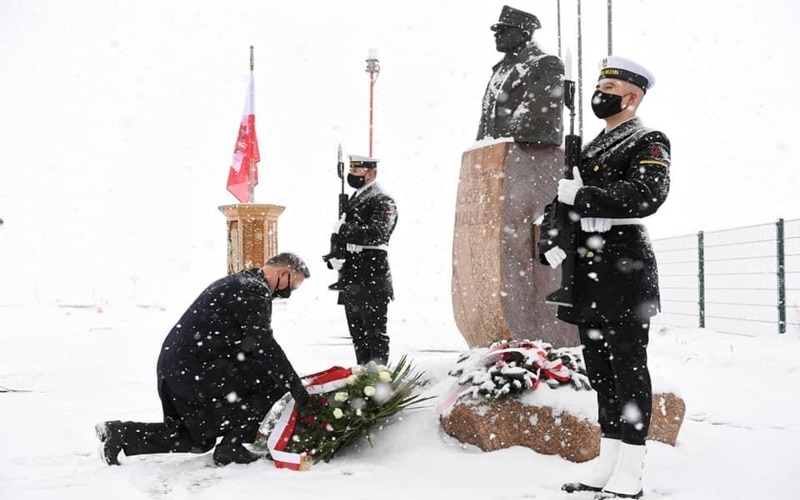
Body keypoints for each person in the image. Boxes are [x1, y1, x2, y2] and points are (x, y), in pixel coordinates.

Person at [538, 56, 671, 498]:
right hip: (588, 270)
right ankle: (608, 458)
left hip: (623, 265)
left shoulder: (647, 139)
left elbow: (647, 195)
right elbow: (563, 198)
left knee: (629, 368)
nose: (601, 93)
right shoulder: (593, 144)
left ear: (631, 97)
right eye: (600, 84)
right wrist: (552, 230)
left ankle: (631, 466)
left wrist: (586, 196)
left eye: (610, 86)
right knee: (600, 369)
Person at [95, 252, 312, 467]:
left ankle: (120, 433)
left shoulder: (241, 282)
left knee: (195, 439)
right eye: (293, 285)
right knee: (271, 381)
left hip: (177, 367)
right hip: (194, 367)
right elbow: (263, 344)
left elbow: (249, 344)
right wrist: (295, 386)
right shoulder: (253, 289)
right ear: (284, 273)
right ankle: (231, 446)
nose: (289, 292)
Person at [330, 155, 398, 366]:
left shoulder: (382, 200)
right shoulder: (354, 198)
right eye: (351, 170)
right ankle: (361, 381)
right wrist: (335, 255)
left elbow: (377, 233)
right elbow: (340, 235)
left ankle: (377, 383)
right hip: (352, 276)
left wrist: (345, 229)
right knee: (358, 336)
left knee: (374, 335)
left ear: (370, 173)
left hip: (371, 275)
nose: (352, 175)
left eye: (357, 171)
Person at [476, 5, 563, 146]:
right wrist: (480, 151)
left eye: (504, 30)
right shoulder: (499, 70)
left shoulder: (545, 64)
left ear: (525, 35)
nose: (496, 34)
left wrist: (500, 142)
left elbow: (539, 120)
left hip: (529, 157)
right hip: (496, 159)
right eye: (497, 30)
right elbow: (485, 125)